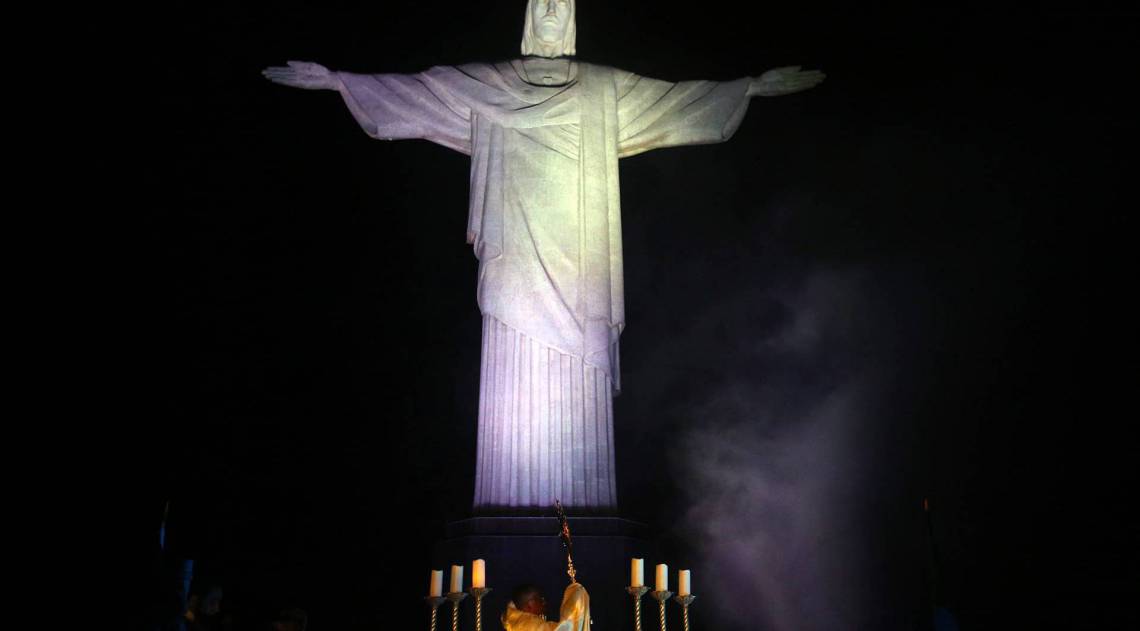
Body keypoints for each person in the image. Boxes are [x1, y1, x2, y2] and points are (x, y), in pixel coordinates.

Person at [263, 0, 824, 512]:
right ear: (531, 15)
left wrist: (746, 88)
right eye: (544, 4)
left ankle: (583, 508)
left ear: (573, 18)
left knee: (580, 359)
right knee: (510, 344)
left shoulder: (605, 89)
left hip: (581, 263)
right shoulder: (488, 84)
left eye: (563, 5)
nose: (553, 13)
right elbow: (417, 92)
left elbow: (676, 100)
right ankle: (506, 503)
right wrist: (339, 82)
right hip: (515, 257)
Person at [502, 582, 590, 631]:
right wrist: (576, 595)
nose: (544, 603)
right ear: (530, 604)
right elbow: (566, 628)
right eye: (540, 599)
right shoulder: (530, 626)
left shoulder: (515, 624)